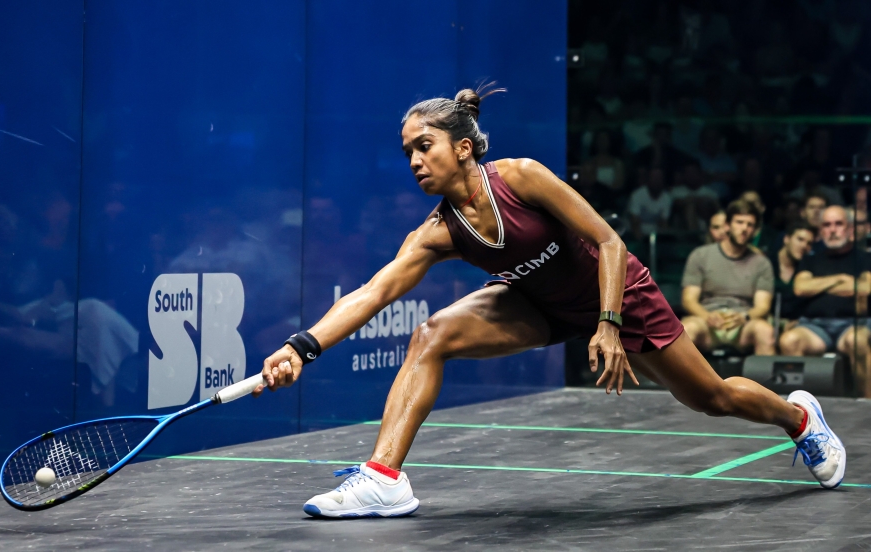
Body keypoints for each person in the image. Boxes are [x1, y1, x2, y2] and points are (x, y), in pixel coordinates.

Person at [253, 88, 846, 518]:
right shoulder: (438, 231)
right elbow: (373, 291)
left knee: (709, 397)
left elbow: (609, 241)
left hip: (618, 292)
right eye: (407, 150)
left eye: (424, 146)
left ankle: (798, 419)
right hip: (537, 303)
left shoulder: (521, 178)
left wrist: (610, 324)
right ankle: (384, 477)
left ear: (462, 148)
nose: (413, 161)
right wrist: (301, 347)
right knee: (432, 333)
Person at [779, 206, 871, 396]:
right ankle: (801, 409)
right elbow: (801, 288)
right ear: (821, 231)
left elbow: (865, 288)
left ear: (850, 229)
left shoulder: (864, 258)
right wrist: (842, 280)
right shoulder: (810, 260)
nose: (833, 230)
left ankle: (867, 403)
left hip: (853, 325)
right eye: (827, 225)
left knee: (858, 340)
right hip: (815, 327)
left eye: (838, 224)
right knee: (790, 340)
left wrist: (818, 285)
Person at [680, 200, 776, 355]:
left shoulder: (762, 263)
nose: (744, 228)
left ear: (755, 231)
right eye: (739, 222)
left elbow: (763, 306)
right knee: (686, 329)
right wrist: (707, 316)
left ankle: (761, 381)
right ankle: (677, 380)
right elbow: (689, 299)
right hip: (707, 320)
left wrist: (744, 316)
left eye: (750, 225)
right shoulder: (701, 255)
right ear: (727, 226)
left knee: (765, 331)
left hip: (743, 322)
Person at [768, 221, 816, 327]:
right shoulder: (766, 263)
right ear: (786, 239)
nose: (804, 246)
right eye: (800, 239)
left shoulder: (809, 270)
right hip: (765, 322)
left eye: (809, 243)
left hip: (795, 327)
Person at [627, 166, 672, 239]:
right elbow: (634, 222)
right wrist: (640, 241)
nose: (656, 181)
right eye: (654, 178)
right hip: (634, 235)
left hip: (655, 236)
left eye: (659, 178)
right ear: (648, 179)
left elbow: (664, 223)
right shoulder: (637, 195)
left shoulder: (667, 198)